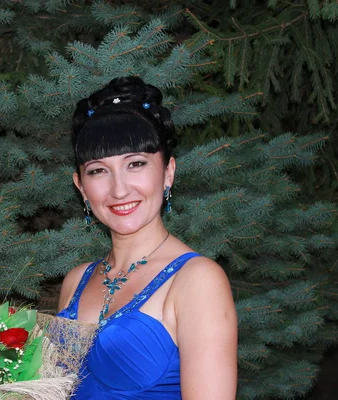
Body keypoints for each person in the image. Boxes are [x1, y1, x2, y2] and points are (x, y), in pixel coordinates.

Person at [57, 76, 238, 399]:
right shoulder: (76, 280)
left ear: (168, 172)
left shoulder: (197, 280)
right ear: (81, 186)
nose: (119, 189)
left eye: (136, 164)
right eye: (98, 170)